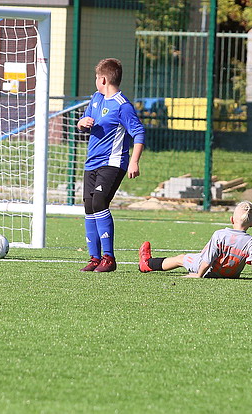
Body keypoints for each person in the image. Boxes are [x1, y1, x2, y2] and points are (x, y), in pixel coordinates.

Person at [77, 58, 145, 272]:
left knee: (99, 201)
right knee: (89, 206)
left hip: (113, 162)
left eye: (97, 78)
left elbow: (139, 133)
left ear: (103, 79)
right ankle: (94, 258)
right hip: (92, 162)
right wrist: (82, 123)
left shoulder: (122, 106)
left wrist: (134, 161)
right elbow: (85, 120)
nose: (96, 81)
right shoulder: (96, 98)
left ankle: (109, 258)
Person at [138, 201, 252, 280]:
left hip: (208, 271)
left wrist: (198, 275)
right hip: (231, 275)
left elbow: (207, 261)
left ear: (231, 219)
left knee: (181, 258)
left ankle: (147, 264)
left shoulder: (220, 235)